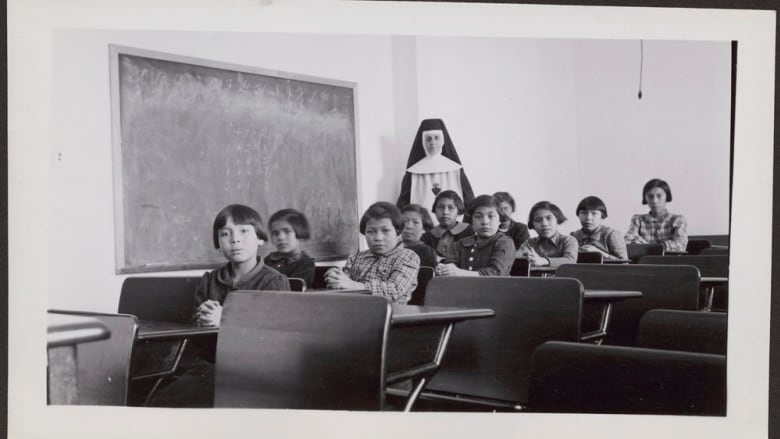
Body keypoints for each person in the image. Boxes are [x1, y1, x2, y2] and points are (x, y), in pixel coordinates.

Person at [151, 204, 289, 407]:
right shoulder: (210, 279)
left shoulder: (274, 281)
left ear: (260, 238)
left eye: (244, 231)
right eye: (225, 234)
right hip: (206, 365)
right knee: (161, 394)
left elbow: (273, 338)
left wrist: (224, 321)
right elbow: (193, 329)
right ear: (218, 242)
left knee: (171, 402)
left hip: (251, 369)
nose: (235, 239)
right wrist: (202, 319)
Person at [325, 202, 419, 304]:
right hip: (356, 311)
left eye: (385, 231)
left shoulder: (408, 257)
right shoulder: (355, 258)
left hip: (391, 315)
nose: (378, 238)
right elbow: (343, 287)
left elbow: (395, 290)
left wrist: (353, 285)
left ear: (398, 232)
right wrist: (336, 278)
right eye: (371, 231)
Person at [396, 118, 474, 211]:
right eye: (428, 139)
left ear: (443, 140)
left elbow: (469, 200)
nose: (432, 143)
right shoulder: (413, 172)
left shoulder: (455, 169)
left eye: (436, 138)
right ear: (423, 141)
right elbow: (403, 204)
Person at [435, 194, 515, 277]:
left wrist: (459, 273)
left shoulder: (505, 242)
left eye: (491, 216)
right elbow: (451, 268)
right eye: (478, 216)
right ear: (472, 220)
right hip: (462, 289)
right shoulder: (460, 244)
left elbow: (495, 272)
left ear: (500, 220)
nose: (485, 222)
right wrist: (444, 270)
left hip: (496, 289)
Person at [624, 178, 688, 252]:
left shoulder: (678, 220)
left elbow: (680, 245)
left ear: (667, 197)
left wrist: (645, 246)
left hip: (671, 262)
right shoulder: (638, 220)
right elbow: (627, 241)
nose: (654, 201)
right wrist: (662, 246)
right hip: (644, 262)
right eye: (650, 196)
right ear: (645, 198)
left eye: (659, 196)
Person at [517, 201, 579, 267]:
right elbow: (516, 258)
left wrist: (543, 261)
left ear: (557, 220)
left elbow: (570, 261)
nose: (544, 224)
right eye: (538, 220)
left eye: (549, 218)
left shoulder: (569, 240)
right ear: (532, 224)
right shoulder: (529, 243)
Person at [265, 208, 316, 287]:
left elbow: (292, 291)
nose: (280, 237)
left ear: (300, 232)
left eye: (287, 231)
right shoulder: (268, 260)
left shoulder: (305, 265)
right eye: (275, 233)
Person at [421, 190, 475, 260]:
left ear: (458, 211)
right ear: (435, 210)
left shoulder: (468, 231)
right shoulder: (428, 235)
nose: (445, 212)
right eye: (440, 207)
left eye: (451, 208)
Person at [571, 196, 628, 260]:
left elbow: (624, 263)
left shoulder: (611, 234)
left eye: (594, 213)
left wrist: (599, 253)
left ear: (602, 216)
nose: (588, 218)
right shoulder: (573, 236)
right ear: (578, 215)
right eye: (584, 213)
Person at [400, 204, 439, 268]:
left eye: (415, 222)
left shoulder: (426, 252)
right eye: (405, 221)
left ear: (424, 229)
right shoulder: (390, 248)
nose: (409, 226)